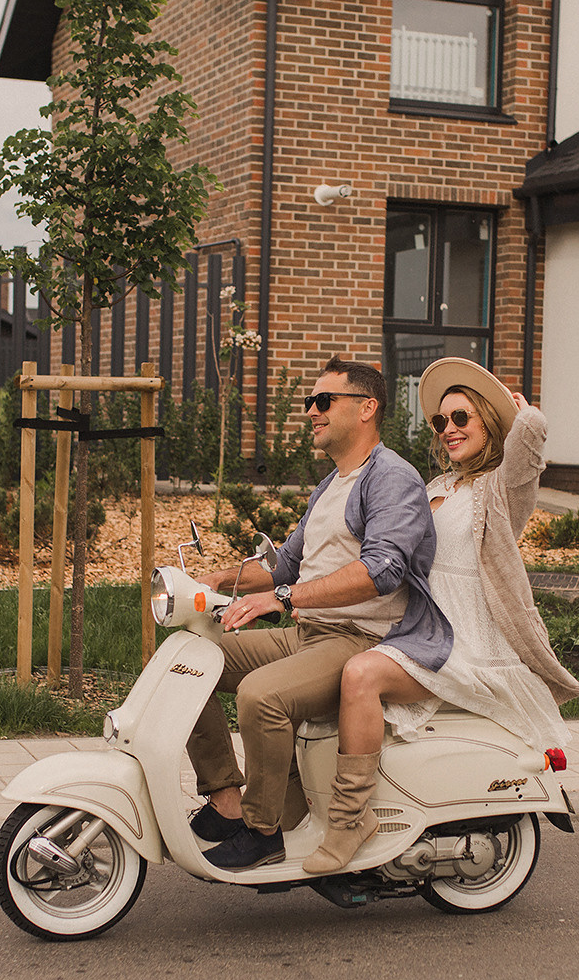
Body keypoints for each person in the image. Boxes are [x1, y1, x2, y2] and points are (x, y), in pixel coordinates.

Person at [315, 357, 579, 874]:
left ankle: (349, 820)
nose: (448, 429)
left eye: (461, 418)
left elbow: (528, 451)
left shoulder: (501, 490)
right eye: (441, 421)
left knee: (360, 675)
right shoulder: (437, 487)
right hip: (422, 632)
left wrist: (525, 418)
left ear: (489, 420)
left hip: (470, 642)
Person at [187, 356, 449, 870]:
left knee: (261, 696)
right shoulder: (332, 483)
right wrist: (217, 580)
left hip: (360, 638)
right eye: (310, 401)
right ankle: (225, 798)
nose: (311, 410)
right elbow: (286, 564)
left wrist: (284, 599)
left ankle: (264, 831)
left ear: (367, 408)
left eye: (323, 400)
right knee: (191, 661)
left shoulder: (391, 477)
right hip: (309, 632)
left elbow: (382, 570)